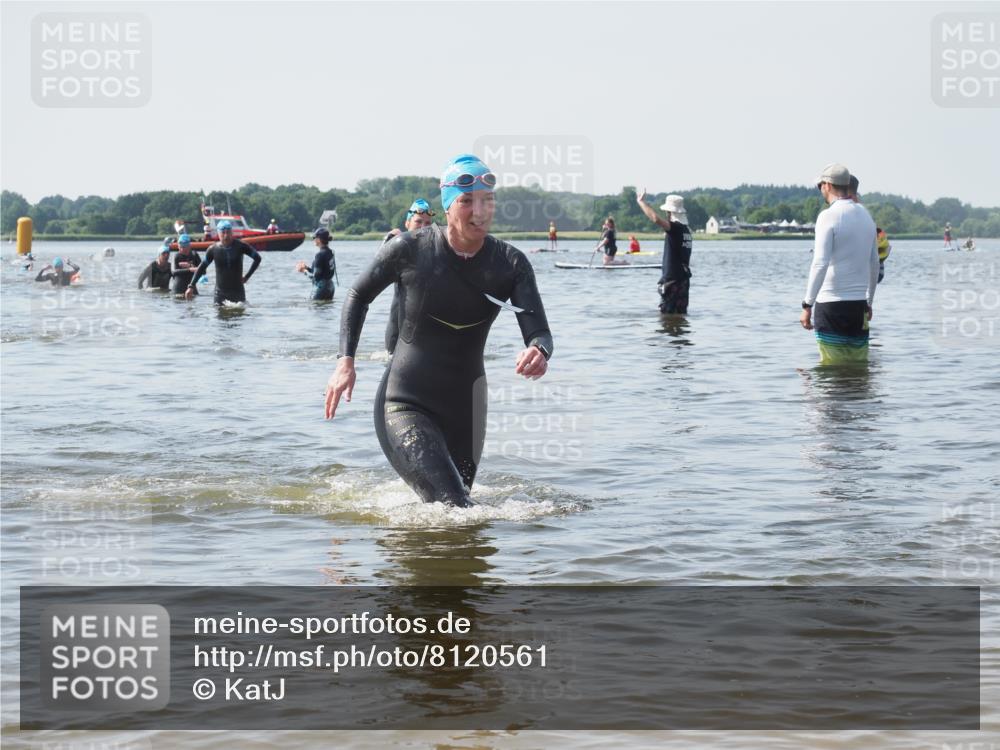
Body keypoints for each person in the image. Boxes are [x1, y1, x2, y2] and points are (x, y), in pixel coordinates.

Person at [324, 154, 553, 508]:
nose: (479, 210)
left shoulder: (510, 264)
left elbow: (538, 331)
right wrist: (345, 361)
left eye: (487, 200)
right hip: (405, 403)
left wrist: (539, 351)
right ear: (447, 207)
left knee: (458, 514)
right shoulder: (410, 250)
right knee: (454, 508)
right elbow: (358, 294)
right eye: (466, 201)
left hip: (467, 411)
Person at [800, 164, 879, 365]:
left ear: (827, 185)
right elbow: (874, 263)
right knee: (857, 367)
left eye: (820, 186)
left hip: (831, 305)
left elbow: (820, 263)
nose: (820, 190)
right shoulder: (866, 216)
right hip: (859, 305)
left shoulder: (827, 216)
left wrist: (807, 304)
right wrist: (869, 302)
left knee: (832, 368)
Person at [382, 198, 437, 354]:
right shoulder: (399, 249)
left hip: (425, 329)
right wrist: (387, 243)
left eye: (427, 223)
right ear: (407, 224)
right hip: (399, 325)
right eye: (418, 222)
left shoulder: (436, 250)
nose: (423, 227)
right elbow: (374, 276)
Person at [637, 190, 693, 314]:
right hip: (683, 281)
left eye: (667, 213)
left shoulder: (675, 228)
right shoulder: (686, 231)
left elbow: (655, 218)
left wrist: (641, 202)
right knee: (680, 316)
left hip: (672, 282)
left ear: (670, 213)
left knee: (666, 318)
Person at [185, 219, 262, 304]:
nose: (226, 236)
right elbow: (202, 267)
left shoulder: (241, 246)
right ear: (218, 234)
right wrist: (191, 286)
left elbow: (257, 258)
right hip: (220, 294)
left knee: (240, 316)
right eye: (223, 233)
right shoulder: (213, 249)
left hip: (238, 293)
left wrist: (247, 277)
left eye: (228, 232)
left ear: (232, 232)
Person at [296, 227, 337, 301]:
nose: (313, 239)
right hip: (331, 286)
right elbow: (322, 271)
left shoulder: (319, 255)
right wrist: (307, 268)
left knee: (314, 309)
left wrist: (303, 271)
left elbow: (315, 277)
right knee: (326, 310)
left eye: (314, 237)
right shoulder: (330, 252)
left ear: (319, 239)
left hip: (321, 288)